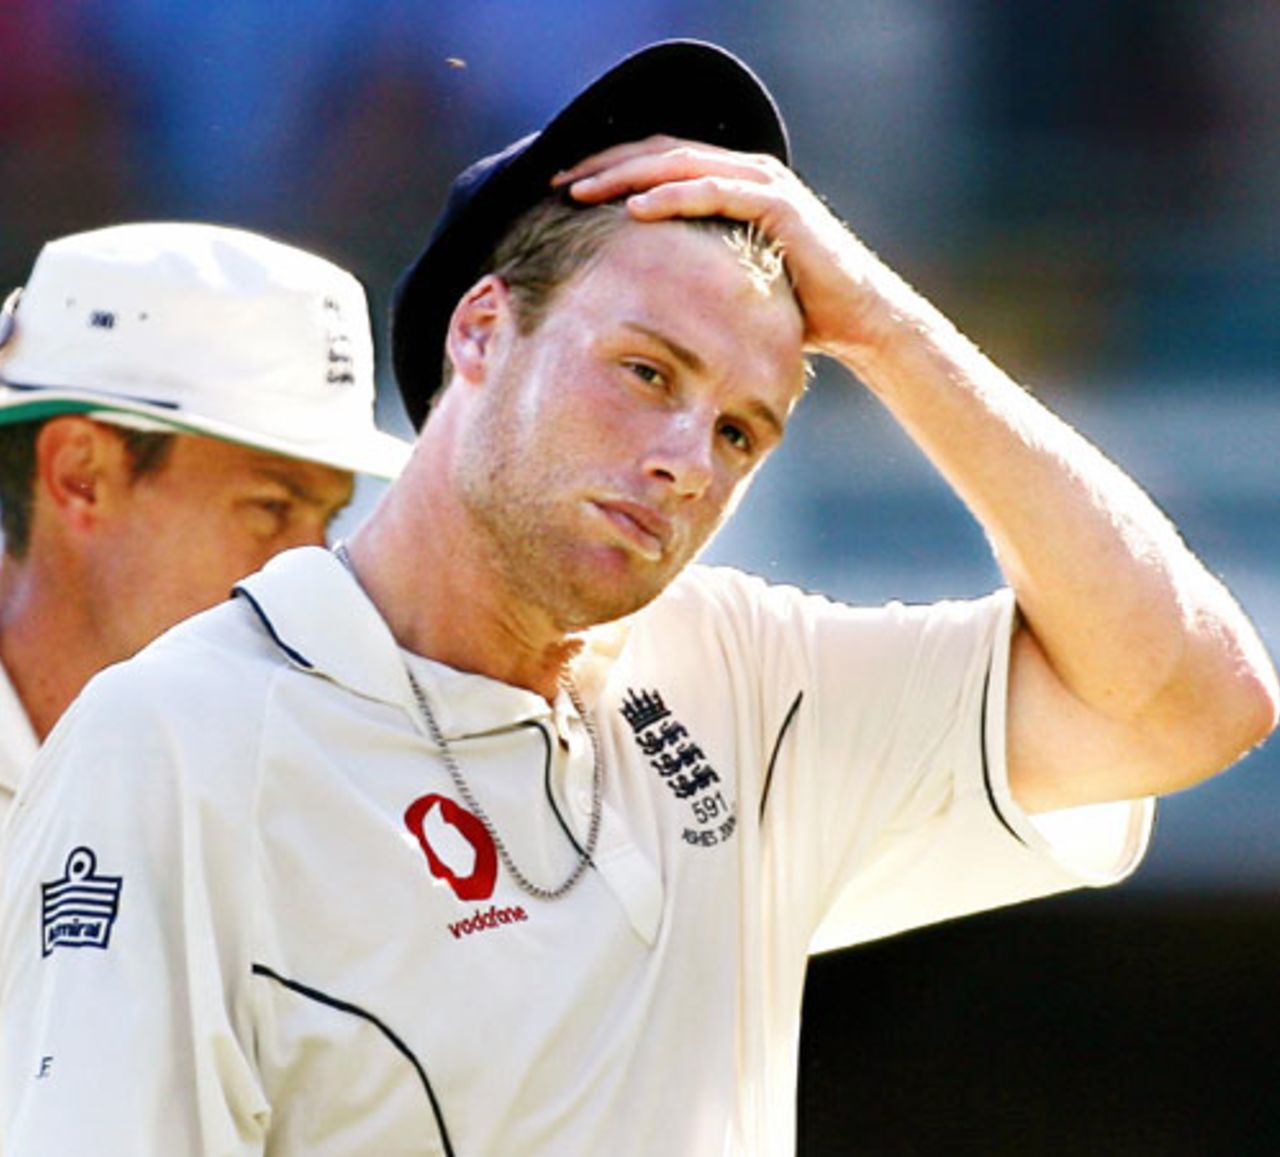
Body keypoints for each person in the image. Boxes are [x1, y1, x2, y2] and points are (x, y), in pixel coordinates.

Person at [1, 40, 1274, 1156]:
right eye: (643, 369)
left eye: (739, 430)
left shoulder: (744, 671)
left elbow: (1192, 702)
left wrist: (884, 322)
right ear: (482, 333)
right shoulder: (172, 740)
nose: (683, 459)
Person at [0, 221, 410, 819]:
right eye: (270, 509)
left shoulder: (317, 791)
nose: (316, 572)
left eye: (329, 518)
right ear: (79, 475)